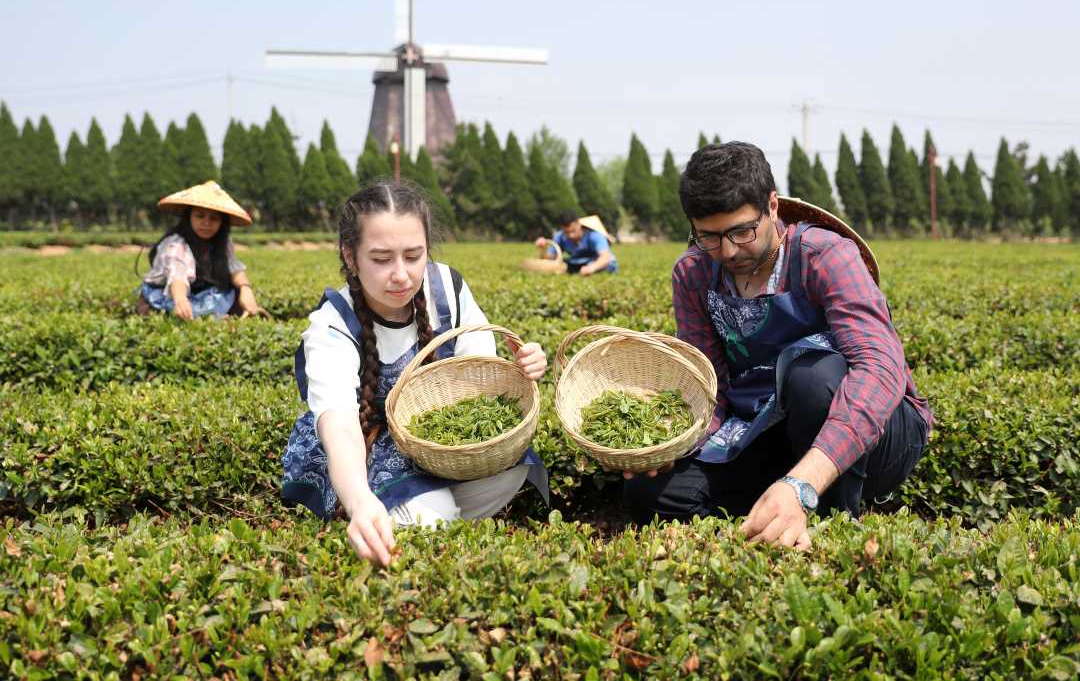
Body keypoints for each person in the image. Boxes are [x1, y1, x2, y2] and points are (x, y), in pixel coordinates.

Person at [623, 141, 933, 550]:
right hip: (764, 430)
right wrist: (673, 443)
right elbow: (709, 383)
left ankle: (832, 521)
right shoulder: (694, 273)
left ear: (772, 207)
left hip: (870, 434)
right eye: (709, 237)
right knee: (651, 494)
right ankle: (777, 507)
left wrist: (804, 482)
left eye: (741, 231)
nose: (728, 251)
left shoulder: (826, 256)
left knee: (811, 375)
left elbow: (880, 368)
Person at [282, 180, 550, 567]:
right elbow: (339, 424)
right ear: (350, 256)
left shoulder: (448, 288)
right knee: (429, 513)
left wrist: (520, 368)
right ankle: (414, 512)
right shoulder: (333, 323)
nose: (401, 275)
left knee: (513, 468)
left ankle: (425, 510)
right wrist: (359, 502)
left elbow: (480, 381)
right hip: (368, 443)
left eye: (413, 256)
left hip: (436, 444)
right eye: (381, 259)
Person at [136, 180, 269, 320]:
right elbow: (177, 276)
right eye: (199, 216)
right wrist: (181, 301)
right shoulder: (176, 244)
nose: (206, 223)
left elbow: (234, 268)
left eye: (214, 218)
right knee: (173, 313)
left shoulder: (222, 243)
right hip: (167, 292)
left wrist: (245, 289)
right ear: (189, 217)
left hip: (200, 293)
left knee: (235, 293)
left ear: (222, 223)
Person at [533, 211, 618, 275]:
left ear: (578, 224)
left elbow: (605, 257)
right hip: (577, 263)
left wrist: (591, 268)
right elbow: (550, 259)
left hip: (598, 263)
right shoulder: (560, 237)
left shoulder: (594, 235)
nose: (571, 236)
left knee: (607, 264)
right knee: (562, 265)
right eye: (567, 232)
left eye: (573, 231)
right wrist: (543, 248)